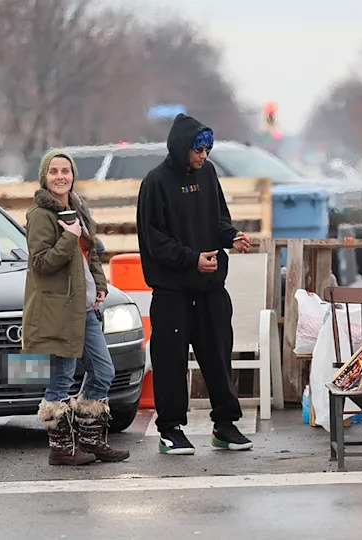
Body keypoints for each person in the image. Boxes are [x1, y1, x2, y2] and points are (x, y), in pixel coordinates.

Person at [136, 114, 254, 455]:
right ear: (181, 147)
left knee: (218, 356)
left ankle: (225, 425)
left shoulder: (208, 174)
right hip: (173, 291)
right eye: (198, 149)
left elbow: (219, 219)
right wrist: (191, 259)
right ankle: (170, 430)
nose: (204, 155)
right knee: (171, 361)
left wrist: (232, 237)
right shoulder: (155, 182)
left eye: (208, 148)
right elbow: (154, 240)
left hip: (211, 288)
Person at [23, 149, 130, 465]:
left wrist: (100, 284)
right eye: (54, 171)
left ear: (72, 176)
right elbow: (41, 263)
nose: (60, 176)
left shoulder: (79, 210)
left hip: (84, 308)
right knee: (61, 378)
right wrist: (68, 236)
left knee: (103, 371)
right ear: (45, 177)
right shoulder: (40, 215)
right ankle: (60, 449)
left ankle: (90, 439)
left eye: (65, 171)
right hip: (59, 311)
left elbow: (92, 253)